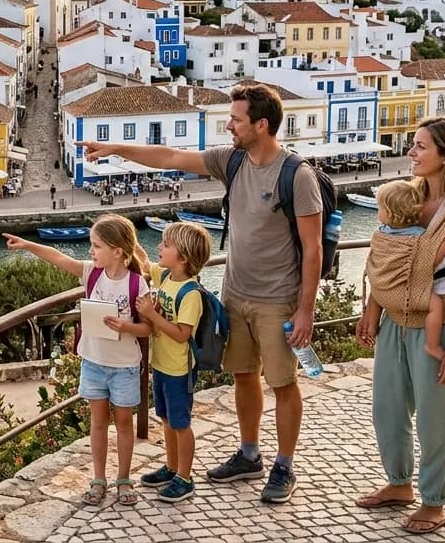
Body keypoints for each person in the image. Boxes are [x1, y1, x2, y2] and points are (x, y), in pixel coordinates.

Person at [81, 82, 324, 504]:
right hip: (235, 292)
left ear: (261, 125)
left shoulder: (296, 176)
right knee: (243, 374)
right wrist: (117, 149)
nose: (229, 126)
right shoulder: (232, 160)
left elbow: (314, 247)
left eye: (236, 120)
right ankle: (249, 454)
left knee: (283, 382)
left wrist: (305, 310)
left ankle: (285, 465)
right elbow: (171, 157)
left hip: (278, 298)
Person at [355, 117, 445, 535]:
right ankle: (399, 484)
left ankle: (434, 502)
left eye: (420, 146)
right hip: (395, 323)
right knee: (387, 411)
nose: (411, 153)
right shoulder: (409, 199)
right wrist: (371, 308)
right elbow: (387, 260)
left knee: (435, 422)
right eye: (413, 145)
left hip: (443, 327)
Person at [2, 215, 152, 507]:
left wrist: (126, 327)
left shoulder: (137, 284)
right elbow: (58, 258)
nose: (91, 251)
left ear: (117, 251)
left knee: (124, 423)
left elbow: (147, 328)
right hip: (93, 362)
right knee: (98, 423)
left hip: (124, 366)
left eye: (96, 246)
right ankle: (99, 479)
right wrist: (27, 245)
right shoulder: (91, 273)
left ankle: (123, 478)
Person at [135, 221, 210, 502]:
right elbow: (145, 263)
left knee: (180, 423)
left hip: (179, 369)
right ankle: (172, 466)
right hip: (161, 364)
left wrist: (152, 315)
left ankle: (185, 477)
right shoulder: (166, 276)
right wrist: (130, 239)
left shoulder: (190, 294)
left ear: (183, 257)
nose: (159, 247)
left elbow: (182, 334)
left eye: (166, 245)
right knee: (166, 418)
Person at [368, 180, 445, 362]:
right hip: (402, 294)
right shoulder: (419, 236)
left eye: (380, 208)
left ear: (389, 213)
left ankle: (372, 327)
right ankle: (432, 345)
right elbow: (430, 258)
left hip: (381, 292)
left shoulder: (379, 234)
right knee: (436, 305)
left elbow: (377, 262)